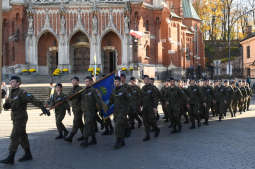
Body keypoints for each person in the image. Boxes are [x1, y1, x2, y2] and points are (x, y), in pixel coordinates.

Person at [0, 76, 50, 165]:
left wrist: (42, 107)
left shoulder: (22, 92)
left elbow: (32, 99)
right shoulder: (11, 93)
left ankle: (11, 157)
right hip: (15, 118)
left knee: (14, 136)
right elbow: (8, 104)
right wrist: (6, 105)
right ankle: (28, 154)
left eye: (13, 81)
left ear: (18, 83)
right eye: (10, 81)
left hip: (21, 118)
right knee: (22, 136)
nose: (11, 83)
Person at [80, 76, 104, 148]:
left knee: (87, 126)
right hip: (85, 112)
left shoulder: (94, 90)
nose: (86, 83)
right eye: (85, 81)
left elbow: (99, 101)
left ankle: (85, 140)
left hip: (91, 111)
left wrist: (100, 110)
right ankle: (93, 139)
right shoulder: (83, 91)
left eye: (87, 81)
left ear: (91, 82)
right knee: (90, 126)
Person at [109, 76, 130, 149]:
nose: (115, 83)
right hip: (116, 111)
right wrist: (107, 105)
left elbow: (129, 100)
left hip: (122, 111)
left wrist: (127, 111)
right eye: (114, 82)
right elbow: (111, 100)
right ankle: (122, 140)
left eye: (117, 81)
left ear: (120, 82)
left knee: (118, 126)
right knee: (119, 126)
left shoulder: (124, 90)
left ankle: (118, 141)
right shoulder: (113, 90)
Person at [65, 77, 84, 143]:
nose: (72, 82)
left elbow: (83, 99)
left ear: (78, 82)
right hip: (74, 109)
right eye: (72, 80)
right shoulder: (72, 89)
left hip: (79, 109)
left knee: (75, 122)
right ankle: (85, 135)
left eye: (74, 80)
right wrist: (71, 96)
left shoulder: (81, 89)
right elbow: (68, 97)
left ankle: (71, 136)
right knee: (80, 123)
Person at [141, 75, 160, 141]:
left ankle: (156, 129)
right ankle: (147, 135)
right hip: (145, 107)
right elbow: (141, 98)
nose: (145, 80)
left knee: (152, 120)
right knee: (145, 122)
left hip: (151, 107)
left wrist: (155, 107)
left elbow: (155, 98)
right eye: (144, 79)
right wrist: (140, 105)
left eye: (146, 79)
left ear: (148, 80)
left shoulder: (152, 88)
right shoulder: (143, 88)